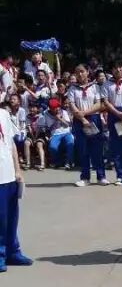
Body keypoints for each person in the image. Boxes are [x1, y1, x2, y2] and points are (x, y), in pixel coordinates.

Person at [0, 104, 32, 273]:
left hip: (8, 174)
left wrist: (17, 170)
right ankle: (0, 255)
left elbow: (11, 143)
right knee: (1, 219)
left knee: (12, 217)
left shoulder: (3, 114)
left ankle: (13, 252)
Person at [66, 64, 108, 186]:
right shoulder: (72, 88)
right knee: (83, 149)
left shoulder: (95, 87)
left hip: (94, 118)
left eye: (82, 71)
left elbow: (99, 104)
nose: (80, 74)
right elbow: (72, 105)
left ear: (87, 72)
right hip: (79, 120)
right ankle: (85, 177)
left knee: (97, 148)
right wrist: (82, 118)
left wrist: (85, 113)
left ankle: (101, 176)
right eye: (77, 72)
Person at [39, 99, 74, 169]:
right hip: (55, 134)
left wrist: (60, 118)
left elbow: (68, 125)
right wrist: (46, 135)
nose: (57, 108)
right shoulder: (45, 114)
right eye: (54, 108)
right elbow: (46, 127)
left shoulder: (63, 112)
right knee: (52, 147)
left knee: (70, 143)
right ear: (50, 108)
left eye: (57, 106)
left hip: (66, 132)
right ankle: (58, 162)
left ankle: (68, 162)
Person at [24, 101, 46, 170]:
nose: (32, 109)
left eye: (34, 107)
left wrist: (35, 138)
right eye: (30, 107)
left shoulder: (41, 117)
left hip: (40, 134)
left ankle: (42, 164)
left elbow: (39, 129)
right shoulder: (27, 117)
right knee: (26, 143)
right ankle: (28, 163)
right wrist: (33, 138)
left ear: (37, 109)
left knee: (39, 144)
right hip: (31, 134)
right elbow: (29, 128)